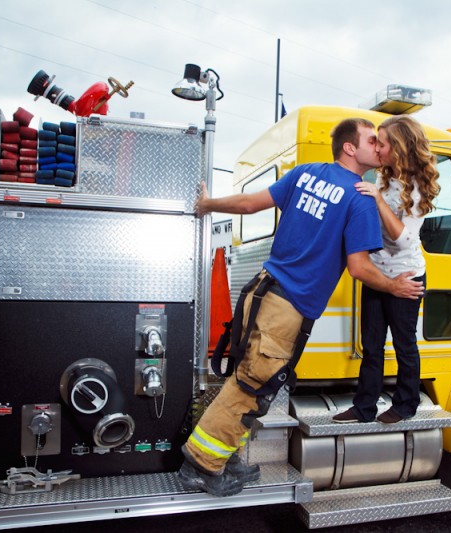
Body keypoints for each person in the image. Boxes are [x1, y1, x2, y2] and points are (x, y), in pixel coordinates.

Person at [178, 117, 425, 497]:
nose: (378, 147)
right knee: (251, 386)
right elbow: (359, 268)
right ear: (349, 147)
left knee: (246, 379)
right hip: (286, 307)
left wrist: (208, 203)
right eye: (372, 140)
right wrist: (393, 285)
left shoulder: (306, 173)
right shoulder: (359, 199)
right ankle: (201, 466)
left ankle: (223, 456)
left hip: (260, 291)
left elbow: (248, 203)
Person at [332, 115, 440, 425]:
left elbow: (403, 239)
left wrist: (378, 199)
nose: (377, 148)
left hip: (406, 277)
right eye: (375, 141)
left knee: (404, 344)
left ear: (399, 147)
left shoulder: (417, 187)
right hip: (378, 275)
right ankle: (364, 408)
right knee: (372, 345)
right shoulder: (381, 176)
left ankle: (406, 405)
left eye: (382, 142)